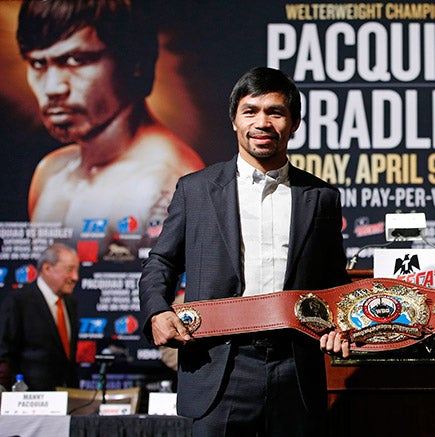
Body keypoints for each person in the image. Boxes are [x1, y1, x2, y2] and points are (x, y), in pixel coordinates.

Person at [139, 66, 350, 436]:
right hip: (217, 363)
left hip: (295, 366)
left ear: (295, 123)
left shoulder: (321, 197)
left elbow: (334, 280)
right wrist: (157, 310)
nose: (262, 122)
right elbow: (162, 261)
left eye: (276, 112)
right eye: (250, 111)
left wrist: (343, 322)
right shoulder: (196, 189)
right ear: (234, 120)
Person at [16, 0, 204, 253]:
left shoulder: (163, 182)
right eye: (38, 64)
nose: (52, 88)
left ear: (135, 62)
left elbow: (177, 292)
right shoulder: (51, 172)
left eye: (75, 60)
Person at [0, 243, 80, 391]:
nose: (75, 277)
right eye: (69, 269)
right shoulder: (18, 301)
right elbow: (4, 353)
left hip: (67, 398)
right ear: (47, 268)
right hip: (29, 400)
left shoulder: (70, 303)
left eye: (77, 270)